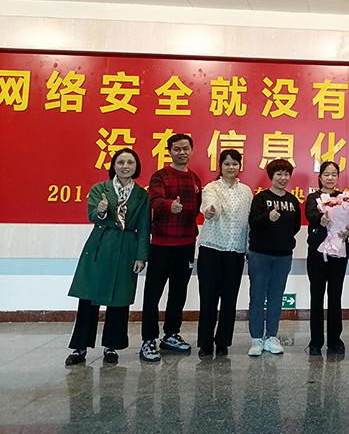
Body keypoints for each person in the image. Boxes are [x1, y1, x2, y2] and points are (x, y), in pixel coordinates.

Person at [65, 148, 149, 366]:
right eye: (120, 162)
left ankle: (111, 346)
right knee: (88, 298)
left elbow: (144, 226)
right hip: (100, 245)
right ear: (113, 165)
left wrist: (141, 256)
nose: (125, 166)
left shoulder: (141, 195)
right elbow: (92, 216)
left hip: (126, 247)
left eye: (130, 162)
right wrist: (101, 210)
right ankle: (80, 347)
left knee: (119, 298)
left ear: (136, 167)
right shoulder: (99, 189)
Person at [140, 133, 202, 362]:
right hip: (161, 244)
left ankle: (171, 334)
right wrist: (169, 206)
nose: (181, 152)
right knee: (152, 294)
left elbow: (196, 209)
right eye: (177, 149)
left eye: (185, 148)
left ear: (191, 150)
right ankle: (148, 339)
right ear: (169, 151)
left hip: (186, 244)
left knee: (178, 292)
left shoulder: (195, 179)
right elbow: (154, 200)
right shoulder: (160, 176)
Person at [197, 149, 253, 358]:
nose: (231, 167)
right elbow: (209, 205)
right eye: (227, 163)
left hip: (235, 251)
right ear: (220, 166)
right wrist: (210, 210)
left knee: (230, 299)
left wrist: (248, 248)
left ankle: (223, 342)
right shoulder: (211, 187)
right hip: (211, 249)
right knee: (208, 299)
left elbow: (249, 222)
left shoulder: (246, 192)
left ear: (240, 166)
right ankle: (205, 343)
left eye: (234, 163)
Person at [247, 158, 301, 357]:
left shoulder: (293, 201)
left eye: (286, 174)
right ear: (271, 176)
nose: (283, 178)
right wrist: (267, 218)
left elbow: (295, 227)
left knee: (276, 297)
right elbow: (253, 222)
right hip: (260, 255)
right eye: (279, 174)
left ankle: (271, 336)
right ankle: (256, 338)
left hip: (283, 256)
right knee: (257, 296)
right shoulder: (261, 198)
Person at [304, 161, 349, 357]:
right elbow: (310, 215)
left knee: (335, 296)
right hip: (317, 254)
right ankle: (315, 342)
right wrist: (321, 219)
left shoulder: (344, 198)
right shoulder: (313, 197)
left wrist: (348, 231)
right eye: (326, 174)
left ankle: (335, 340)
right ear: (320, 177)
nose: (330, 178)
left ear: (338, 177)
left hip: (338, 254)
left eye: (334, 174)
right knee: (316, 297)